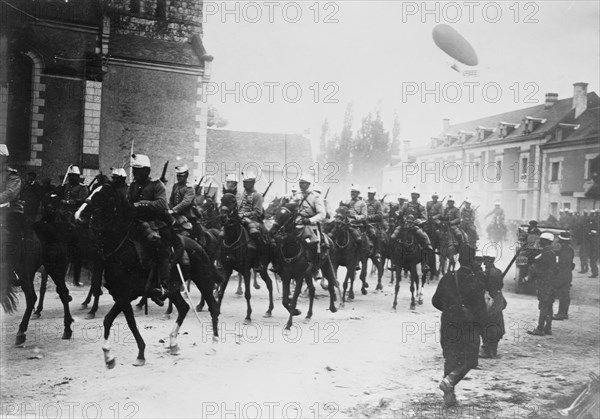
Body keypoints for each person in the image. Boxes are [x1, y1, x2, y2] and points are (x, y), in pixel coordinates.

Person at [432, 246, 486, 407]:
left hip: (448, 322)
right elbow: (481, 308)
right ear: (472, 262)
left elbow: (435, 301)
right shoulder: (475, 280)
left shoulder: (448, 277)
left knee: (450, 358)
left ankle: (449, 397)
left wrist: (450, 310)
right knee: (470, 359)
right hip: (467, 326)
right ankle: (450, 380)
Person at [127, 154, 181, 304]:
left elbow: (162, 204)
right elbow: (128, 202)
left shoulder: (157, 185)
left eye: (137, 170)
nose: (134, 173)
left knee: (161, 251)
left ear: (147, 171)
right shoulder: (132, 186)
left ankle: (162, 286)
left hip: (156, 223)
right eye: (133, 170)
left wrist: (142, 204)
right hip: (137, 223)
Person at [0, 144, 24, 286]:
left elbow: (10, 194)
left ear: (4, 158)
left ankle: (12, 271)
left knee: (12, 238)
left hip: (12, 211)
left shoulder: (12, 175)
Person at [527, 231, 558, 336]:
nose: (540, 241)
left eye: (541, 240)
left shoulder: (545, 254)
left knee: (544, 306)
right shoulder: (552, 253)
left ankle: (540, 329)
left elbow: (538, 268)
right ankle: (548, 328)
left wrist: (530, 276)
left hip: (544, 284)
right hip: (551, 283)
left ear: (545, 241)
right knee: (549, 305)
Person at [237, 172, 267, 270]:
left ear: (253, 182)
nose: (244, 184)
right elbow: (239, 207)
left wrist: (245, 215)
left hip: (253, 220)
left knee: (255, 233)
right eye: (244, 182)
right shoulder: (243, 195)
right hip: (240, 218)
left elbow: (258, 212)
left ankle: (259, 260)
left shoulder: (257, 195)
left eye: (247, 182)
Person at [480, 256, 506, 358]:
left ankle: (487, 349)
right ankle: (493, 350)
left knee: (486, 325)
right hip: (497, 300)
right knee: (496, 325)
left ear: (486, 262)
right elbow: (501, 285)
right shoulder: (499, 272)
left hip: (488, 300)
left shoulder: (485, 273)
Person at [553, 232, 575, 320]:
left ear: (563, 241)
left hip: (563, 274)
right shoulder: (567, 249)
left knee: (563, 294)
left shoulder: (566, 250)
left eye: (560, 240)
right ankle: (563, 313)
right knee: (565, 294)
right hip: (566, 274)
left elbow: (563, 264)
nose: (558, 241)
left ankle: (561, 314)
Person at [168, 164, 195, 233]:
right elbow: (171, 199)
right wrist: (170, 209)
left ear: (186, 176)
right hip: (174, 214)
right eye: (177, 175)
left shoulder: (189, 188)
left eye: (181, 176)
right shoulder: (175, 186)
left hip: (186, 215)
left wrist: (174, 210)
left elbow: (186, 202)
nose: (178, 177)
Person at [365, 186, 383, 261]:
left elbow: (380, 215)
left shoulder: (377, 203)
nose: (369, 195)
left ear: (374, 194)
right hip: (363, 222)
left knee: (375, 234)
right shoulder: (364, 202)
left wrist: (370, 217)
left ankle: (377, 251)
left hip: (373, 223)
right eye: (369, 193)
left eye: (371, 193)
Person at [587, 210, 599, 278]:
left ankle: (595, 273)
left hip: (594, 248)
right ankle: (595, 272)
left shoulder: (594, 220)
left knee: (592, 260)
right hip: (596, 247)